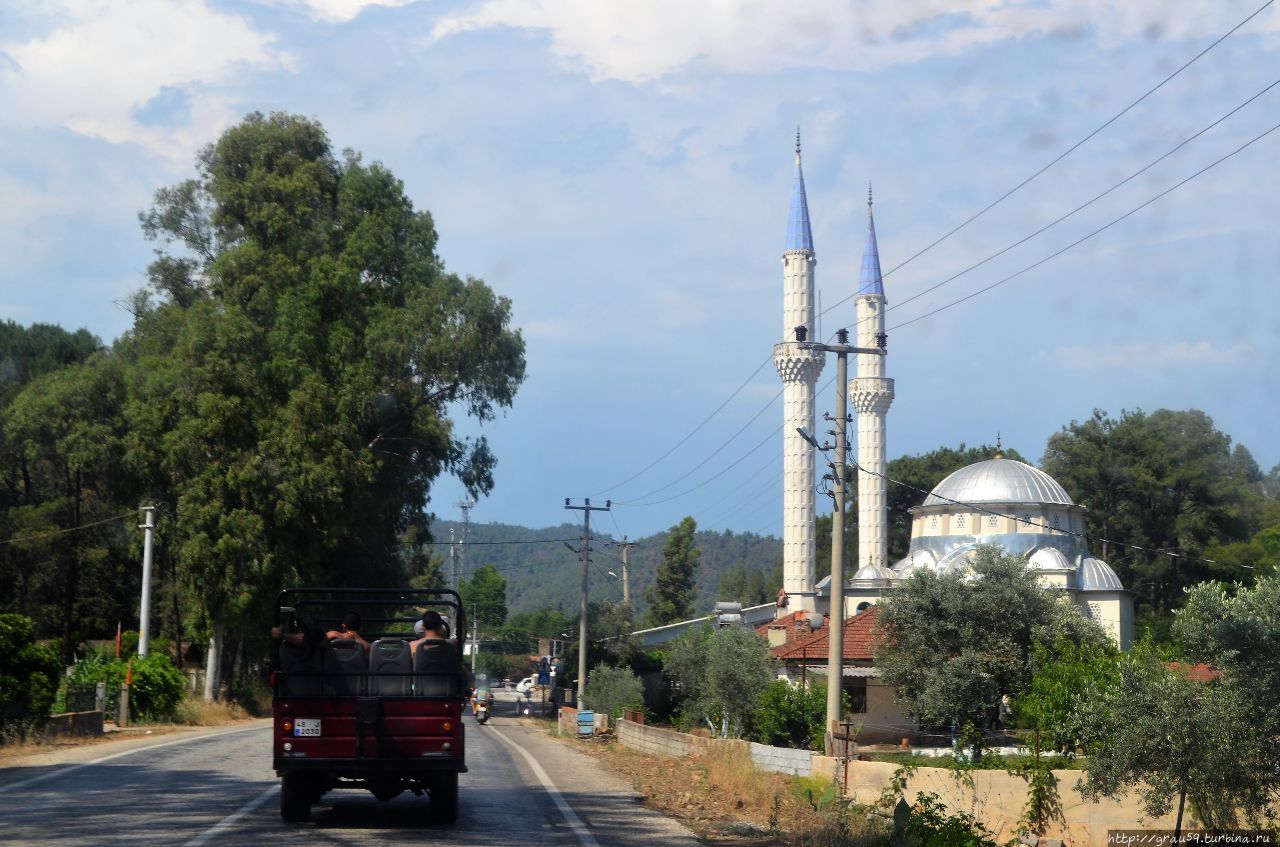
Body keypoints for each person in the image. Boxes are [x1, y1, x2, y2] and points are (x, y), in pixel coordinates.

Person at [272, 610, 369, 650]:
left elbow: (309, 641)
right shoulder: (369, 647)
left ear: (344, 626)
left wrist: (282, 635)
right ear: (359, 628)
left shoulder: (334, 635)